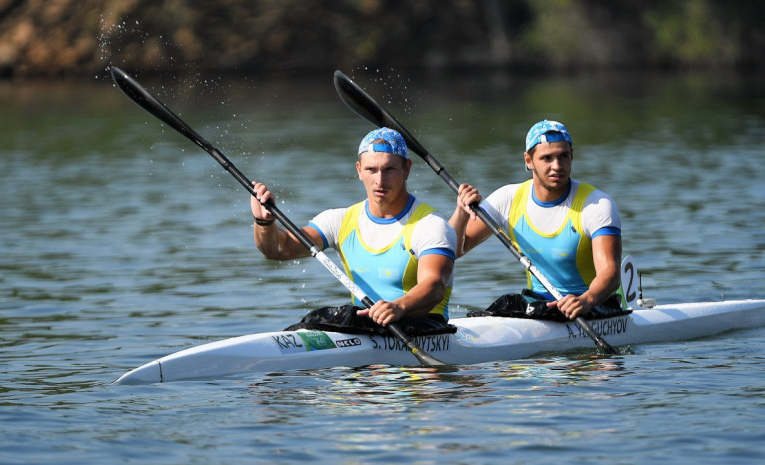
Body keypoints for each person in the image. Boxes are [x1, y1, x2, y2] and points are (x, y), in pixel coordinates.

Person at [250, 127, 457, 331]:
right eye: (371, 170)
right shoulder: (339, 221)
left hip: (424, 327)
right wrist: (264, 223)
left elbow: (434, 286)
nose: (380, 181)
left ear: (407, 170)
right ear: (359, 170)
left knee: (347, 317)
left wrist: (398, 307)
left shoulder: (430, 224)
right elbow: (279, 250)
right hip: (367, 328)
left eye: (389, 169)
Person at [450, 120, 622, 320]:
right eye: (547, 158)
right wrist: (461, 213)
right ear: (528, 160)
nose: (557, 166)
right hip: (539, 306)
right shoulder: (508, 199)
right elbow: (454, 250)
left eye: (563, 156)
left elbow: (610, 273)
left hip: (592, 305)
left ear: (572, 155)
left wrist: (586, 300)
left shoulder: (596, 204)